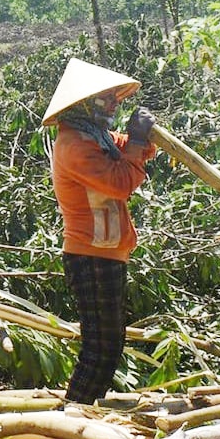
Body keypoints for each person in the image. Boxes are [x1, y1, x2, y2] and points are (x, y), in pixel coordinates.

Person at [43, 59, 156, 404]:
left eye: (113, 98)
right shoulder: (75, 145)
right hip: (90, 254)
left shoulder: (97, 136)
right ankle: (73, 414)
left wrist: (141, 137)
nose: (113, 105)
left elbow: (135, 150)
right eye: (105, 99)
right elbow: (120, 182)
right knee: (100, 349)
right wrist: (136, 141)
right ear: (82, 104)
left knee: (110, 344)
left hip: (106, 251)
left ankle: (81, 411)